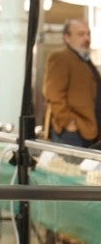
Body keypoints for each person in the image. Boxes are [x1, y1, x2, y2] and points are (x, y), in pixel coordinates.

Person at [43, 18, 100, 147]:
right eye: (81, 34)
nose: (86, 39)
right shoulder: (61, 58)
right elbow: (53, 94)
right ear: (67, 37)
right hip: (73, 133)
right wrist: (69, 122)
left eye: (88, 34)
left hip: (90, 130)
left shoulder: (84, 60)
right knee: (70, 166)